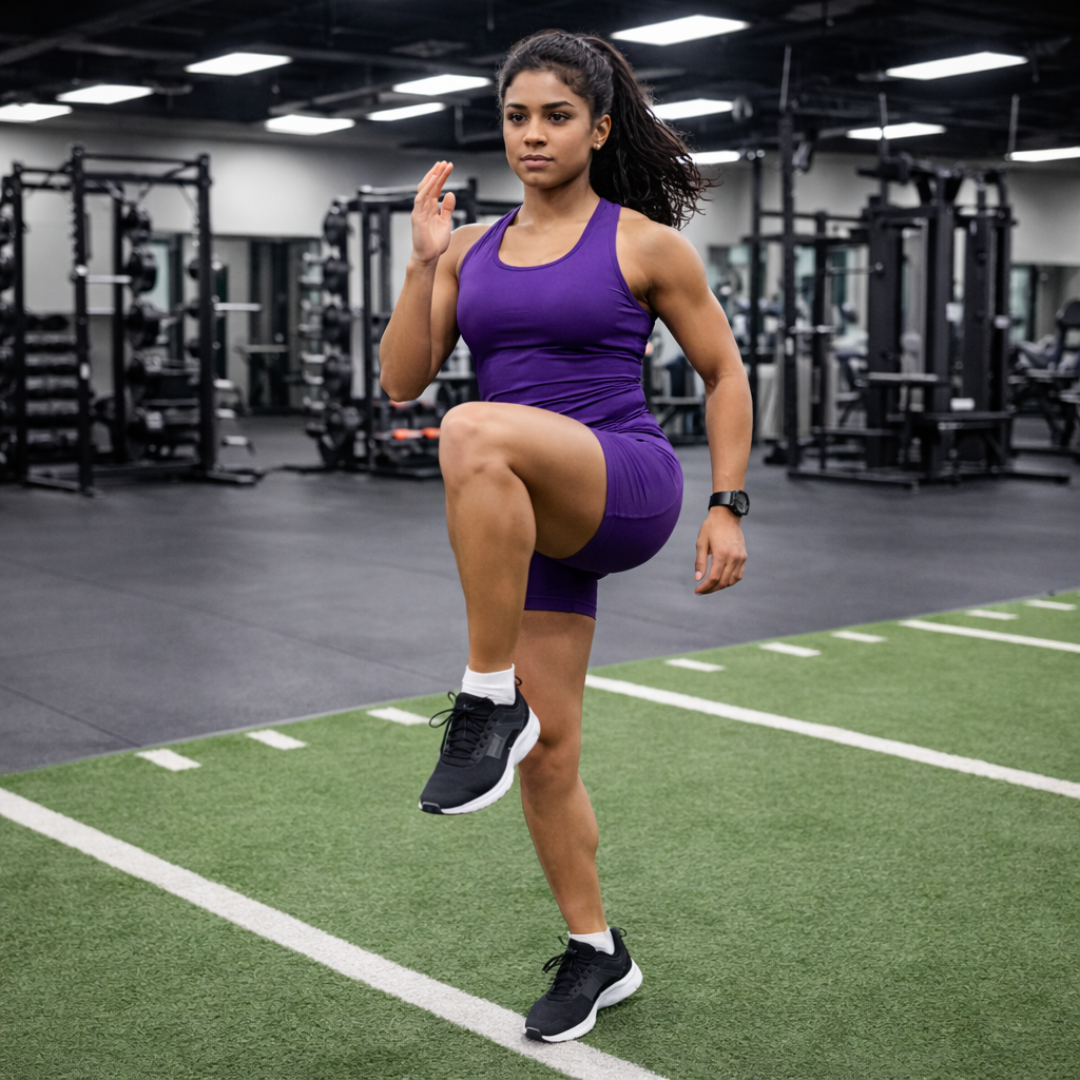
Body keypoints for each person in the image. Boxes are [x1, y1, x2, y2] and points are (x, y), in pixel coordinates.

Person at [379, 30, 752, 1044]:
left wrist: (729, 502)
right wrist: (420, 267)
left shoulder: (640, 242)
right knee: (551, 759)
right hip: (527, 516)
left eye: (554, 115)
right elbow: (399, 379)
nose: (532, 134)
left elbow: (725, 372)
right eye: (516, 116)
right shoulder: (469, 251)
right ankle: (598, 951)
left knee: (470, 427)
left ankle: (483, 698)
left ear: (598, 126)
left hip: (622, 483)